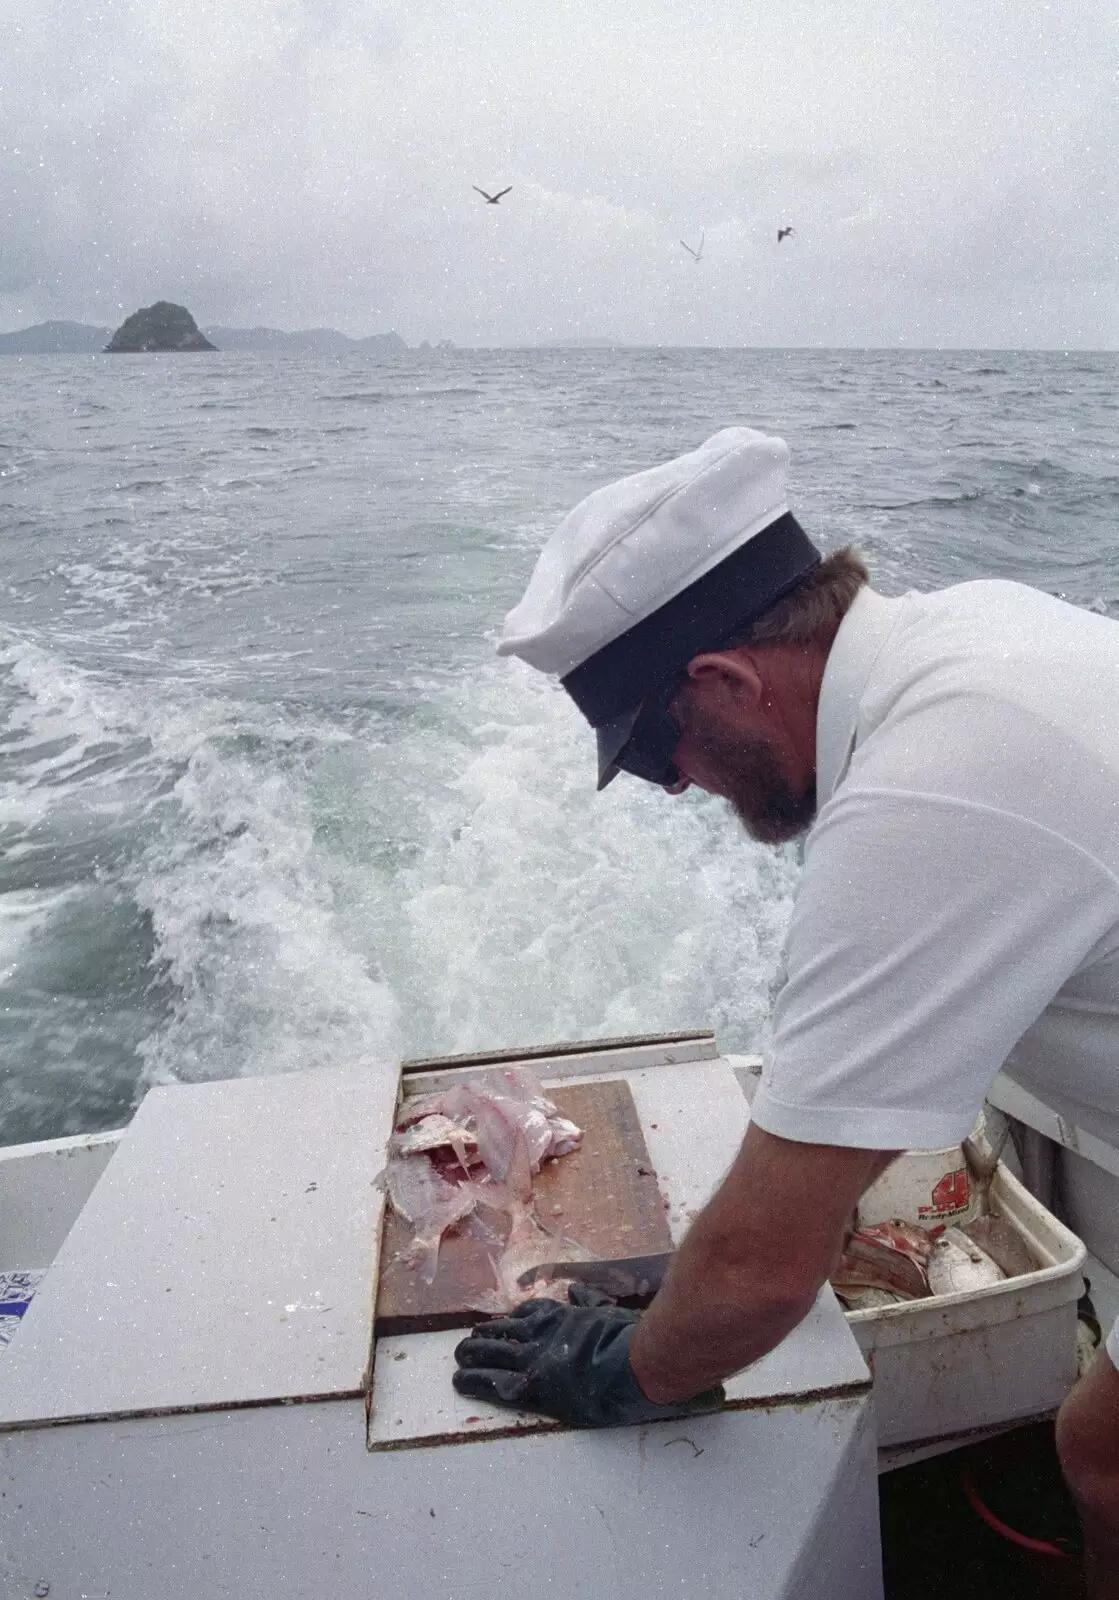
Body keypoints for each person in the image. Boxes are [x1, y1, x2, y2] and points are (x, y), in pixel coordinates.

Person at [451, 427, 1119, 1593]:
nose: (679, 788)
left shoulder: (929, 797)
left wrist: (631, 1367)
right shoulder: (966, 637)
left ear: (725, 683)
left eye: (660, 756)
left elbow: (764, 1270)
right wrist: (698, 1272)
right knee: (1101, 1454)